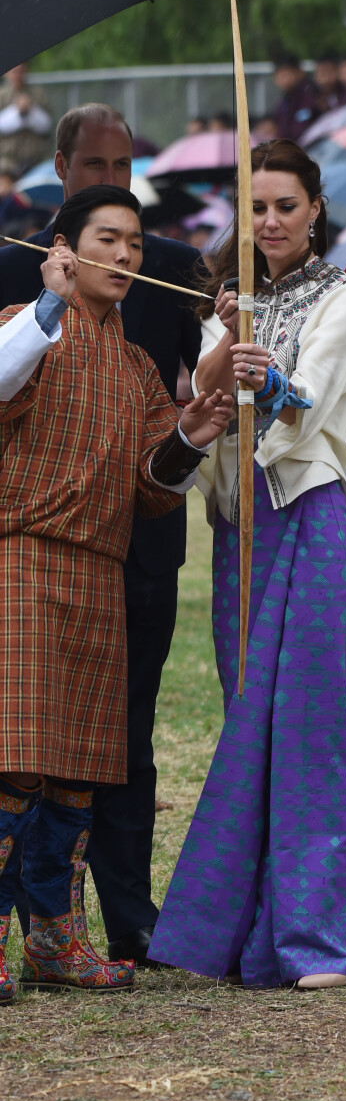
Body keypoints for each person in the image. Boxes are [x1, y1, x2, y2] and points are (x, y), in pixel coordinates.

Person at [0, 184, 233, 1002]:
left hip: (101, 569)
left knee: (74, 771)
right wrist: (46, 305)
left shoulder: (137, 363)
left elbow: (151, 482)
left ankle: (56, 944)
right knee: (14, 762)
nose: (129, 256)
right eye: (110, 239)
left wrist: (190, 433)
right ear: (64, 247)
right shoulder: (21, 327)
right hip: (23, 557)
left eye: (136, 242)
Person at [149, 139, 346, 990]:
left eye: (285, 205)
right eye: (258, 207)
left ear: (315, 210)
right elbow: (201, 405)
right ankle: (241, 926)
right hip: (238, 526)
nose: (270, 220)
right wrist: (223, 351)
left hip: (307, 519)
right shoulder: (225, 306)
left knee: (310, 719)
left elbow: (309, 409)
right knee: (249, 720)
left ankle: (315, 939)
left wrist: (267, 379)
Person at [0, 64, 52, 176]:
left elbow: (47, 125)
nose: (17, 75)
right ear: (7, 74)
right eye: (14, 71)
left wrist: (31, 110)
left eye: (20, 71)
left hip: (35, 161)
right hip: (7, 163)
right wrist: (16, 112)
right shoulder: (2, 95)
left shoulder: (38, 94)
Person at [272, 57, 319, 142]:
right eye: (280, 75)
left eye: (286, 74)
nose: (284, 80)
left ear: (299, 73)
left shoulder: (309, 95)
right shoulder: (284, 100)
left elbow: (299, 130)